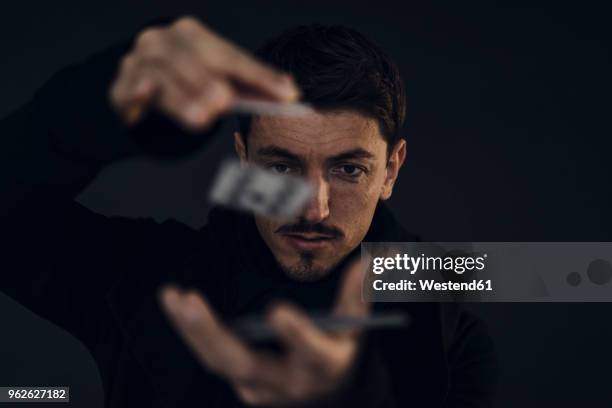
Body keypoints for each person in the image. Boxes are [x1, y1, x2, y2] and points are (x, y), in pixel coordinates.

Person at [0, 16, 497, 407]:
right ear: (243, 158)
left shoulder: (445, 329)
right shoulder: (143, 282)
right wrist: (93, 103)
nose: (314, 208)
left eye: (348, 170)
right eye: (280, 168)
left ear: (390, 171)